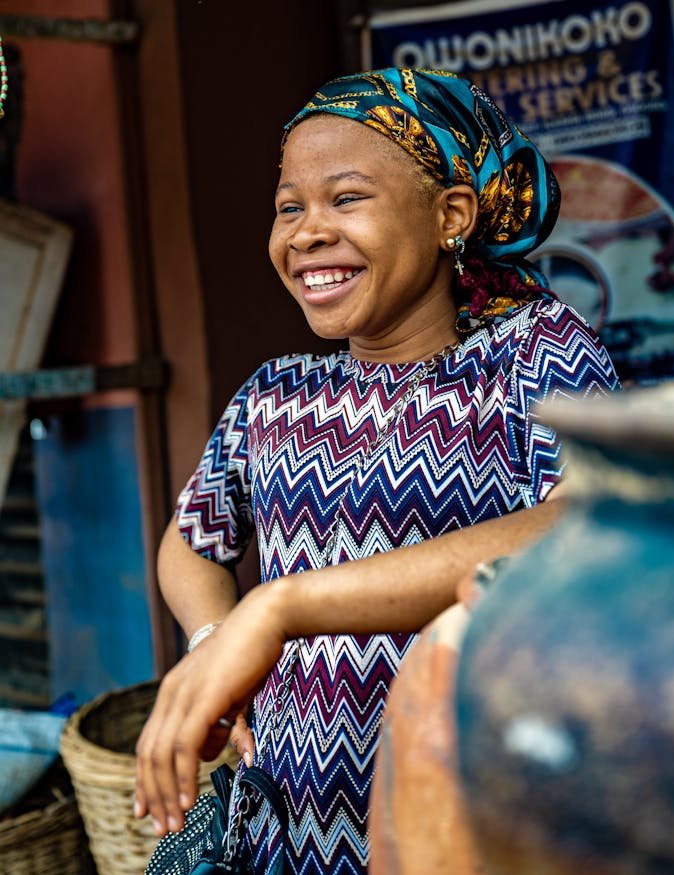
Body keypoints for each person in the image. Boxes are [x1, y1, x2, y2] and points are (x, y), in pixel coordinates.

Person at [134, 67, 619, 874]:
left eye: (346, 198)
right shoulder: (276, 393)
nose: (307, 231)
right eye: (290, 206)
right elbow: (191, 542)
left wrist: (283, 607)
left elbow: (584, 520)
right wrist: (215, 637)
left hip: (469, 822)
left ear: (449, 216)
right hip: (291, 834)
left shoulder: (532, 350)